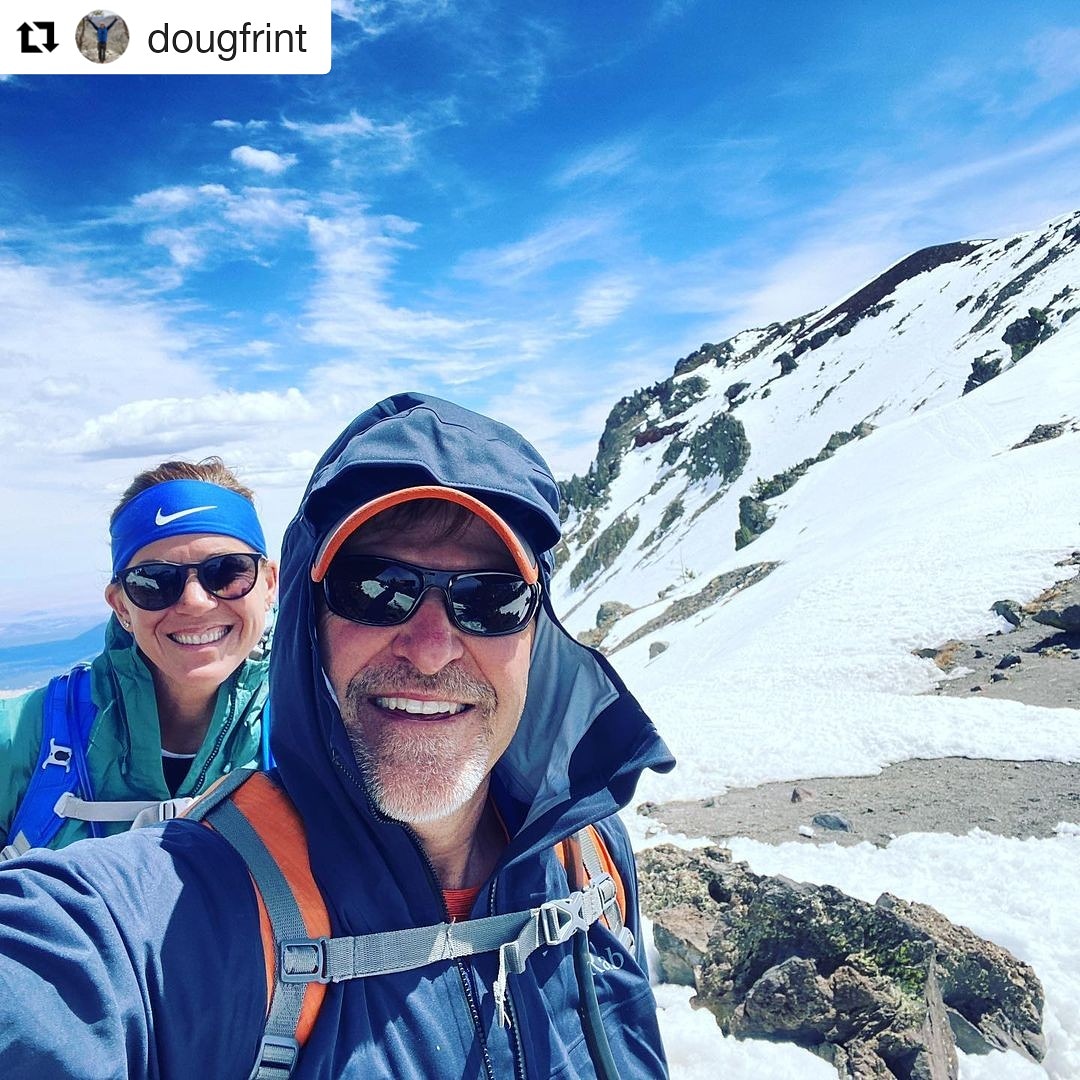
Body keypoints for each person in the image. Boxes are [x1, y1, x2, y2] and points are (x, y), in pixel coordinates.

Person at [0, 393, 674, 1078]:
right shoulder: (185, 905)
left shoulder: (593, 861)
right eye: (376, 588)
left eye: (490, 598)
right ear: (308, 620)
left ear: (536, 631)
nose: (433, 649)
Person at [0, 457, 277, 858]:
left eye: (226, 572)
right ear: (121, 607)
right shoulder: (22, 735)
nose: (195, 602)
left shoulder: (327, 730)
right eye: (153, 581)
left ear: (269, 583)